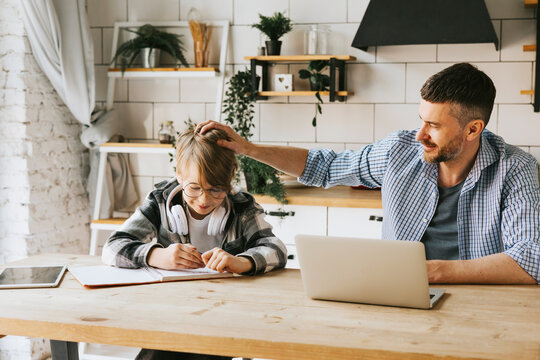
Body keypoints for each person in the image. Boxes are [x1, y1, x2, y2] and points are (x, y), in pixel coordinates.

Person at [197, 63, 539, 285]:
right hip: (402, 299)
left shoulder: (515, 170)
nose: (420, 134)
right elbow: (324, 166)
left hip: (483, 305)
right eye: (421, 119)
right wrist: (249, 149)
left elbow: (530, 259)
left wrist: (432, 271)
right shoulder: (399, 152)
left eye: (433, 125)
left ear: (473, 129)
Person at [102, 128, 287, 360]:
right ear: (179, 175)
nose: (204, 199)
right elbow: (112, 247)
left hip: (225, 316)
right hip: (172, 314)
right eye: (195, 188)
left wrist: (243, 262)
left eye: (216, 189)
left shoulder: (242, 208)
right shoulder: (159, 201)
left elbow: (276, 249)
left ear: (229, 181)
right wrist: (157, 256)